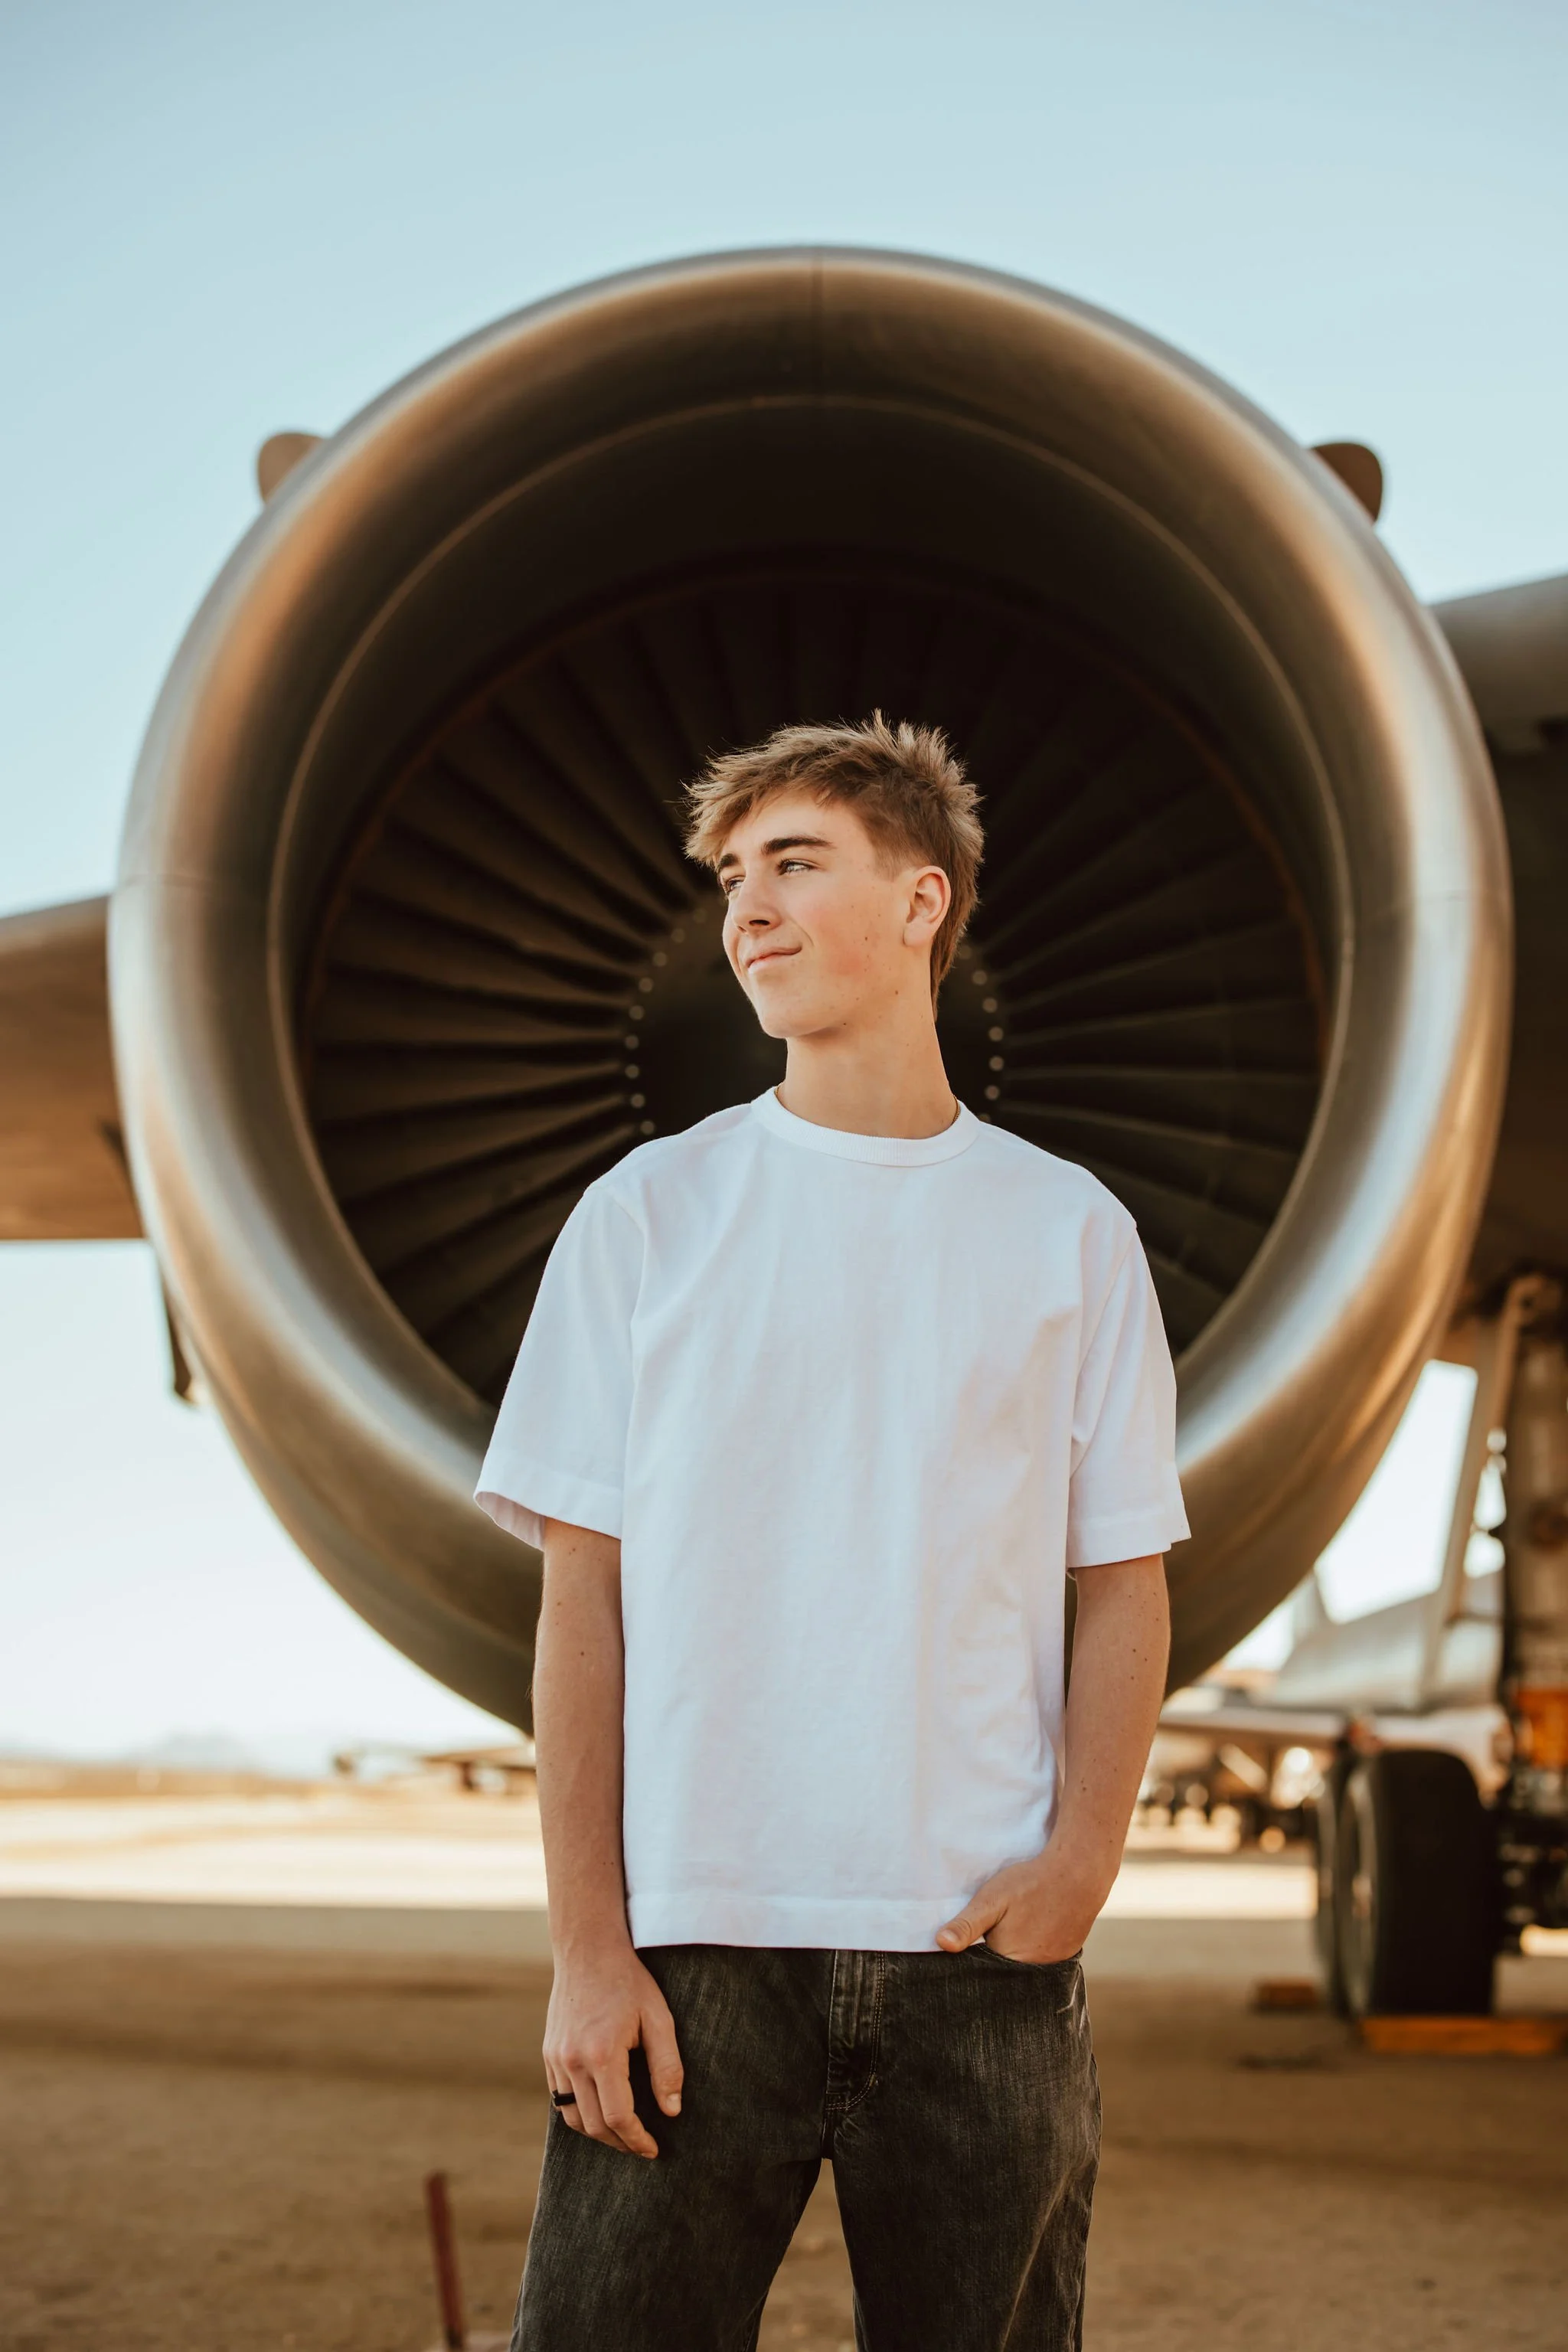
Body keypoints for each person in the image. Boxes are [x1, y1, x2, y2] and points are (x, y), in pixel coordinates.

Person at [475, 714, 1187, 2351]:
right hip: (693, 1954)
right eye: (734, 877)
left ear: (924, 900)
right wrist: (589, 1953)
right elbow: (582, 1605)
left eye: (795, 864)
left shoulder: (1072, 1234)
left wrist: (1078, 1865)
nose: (747, 912)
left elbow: (1123, 1586)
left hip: (976, 1961)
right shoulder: (648, 1216)